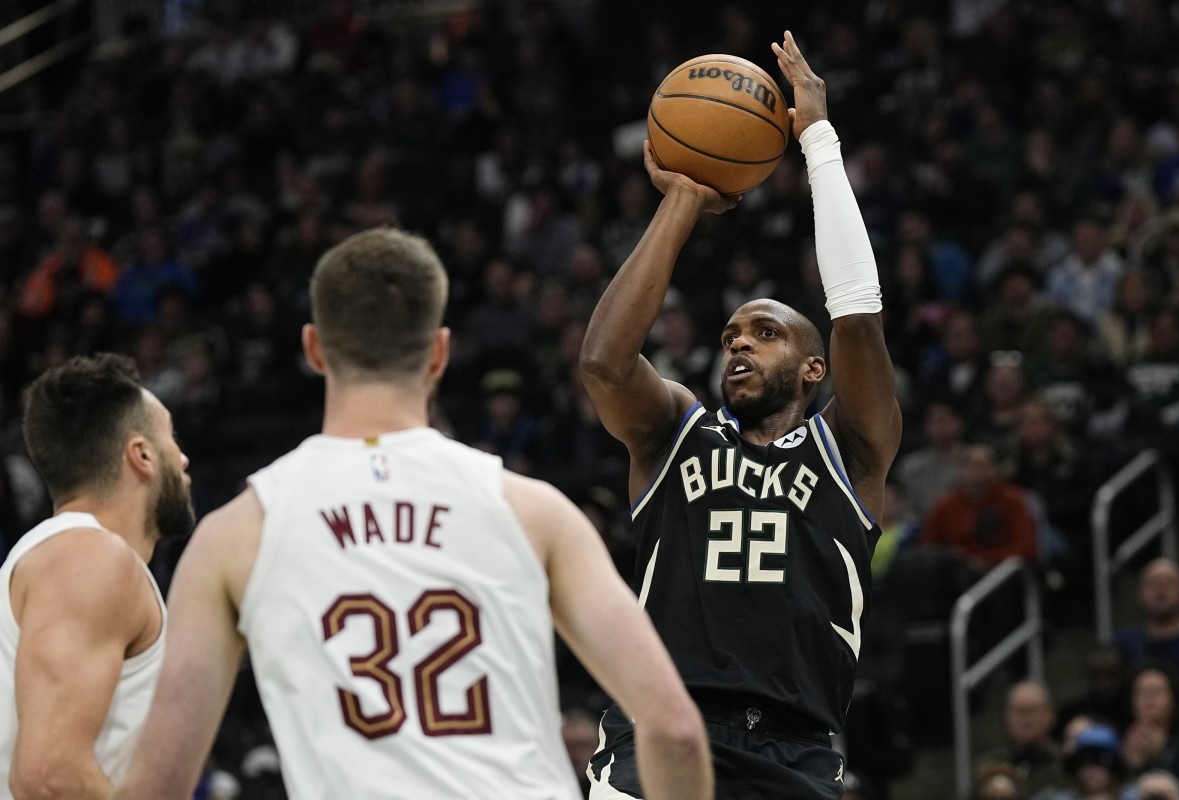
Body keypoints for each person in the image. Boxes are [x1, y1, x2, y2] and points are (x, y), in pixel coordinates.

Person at [114, 227, 712, 800]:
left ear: (314, 349)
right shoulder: (534, 510)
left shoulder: (237, 533)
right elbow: (676, 729)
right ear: (440, 353)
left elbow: (160, 785)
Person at [580, 31, 902, 800]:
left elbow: (857, 314)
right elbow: (603, 364)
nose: (739, 346)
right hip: (659, 731)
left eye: (765, 333)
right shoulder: (676, 436)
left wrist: (818, 140)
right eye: (730, 336)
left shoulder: (849, 451)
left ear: (813, 367)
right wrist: (682, 202)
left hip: (794, 752)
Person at [1, 353, 194, 798]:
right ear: (141, 455)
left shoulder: (71, 554)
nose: (183, 459)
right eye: (172, 439)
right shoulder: (90, 557)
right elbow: (49, 774)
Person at [1114, 559, 1179, 717]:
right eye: (1152, 584)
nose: (1160, 590)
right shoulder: (1125, 644)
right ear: (1139, 594)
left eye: (1168, 583)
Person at [976, 680, 1064, 796]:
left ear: (1050, 715)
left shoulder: (1065, 762)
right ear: (1006, 717)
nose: (1026, 719)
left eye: (1032, 710)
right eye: (1018, 712)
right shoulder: (990, 764)